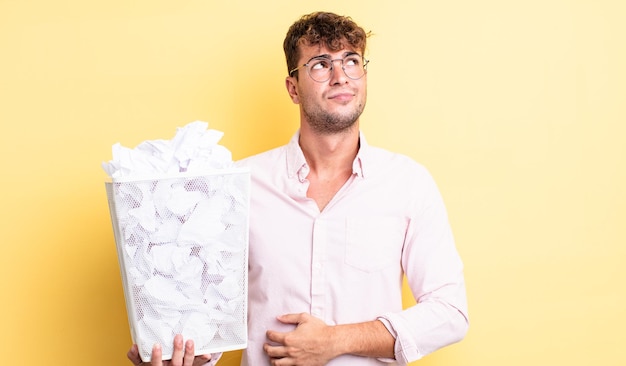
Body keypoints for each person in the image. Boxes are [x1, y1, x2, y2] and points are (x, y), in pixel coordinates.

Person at [128, 11, 468, 366]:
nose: (340, 77)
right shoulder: (237, 185)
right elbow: (208, 315)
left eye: (351, 61)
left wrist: (335, 341)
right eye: (320, 65)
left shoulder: (407, 184)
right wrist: (184, 355)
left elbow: (450, 312)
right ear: (293, 88)